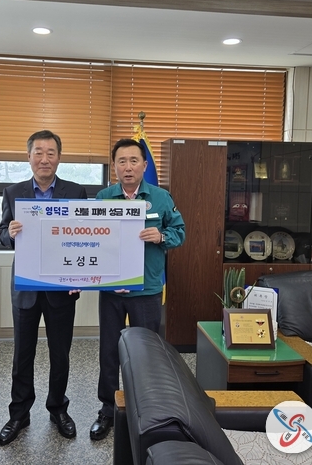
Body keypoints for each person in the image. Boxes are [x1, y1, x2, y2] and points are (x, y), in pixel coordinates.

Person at [89, 138, 186, 440]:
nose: (128, 167)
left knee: (147, 352)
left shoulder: (160, 197)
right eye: (122, 161)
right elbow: (92, 239)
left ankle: (148, 407)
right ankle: (108, 408)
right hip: (112, 291)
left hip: (146, 290)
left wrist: (161, 236)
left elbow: (180, 232)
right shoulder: (104, 198)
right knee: (109, 350)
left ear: (144, 165)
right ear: (114, 166)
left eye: (134, 161)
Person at [0, 130, 88, 446]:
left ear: (59, 158)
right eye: (38, 152)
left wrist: (80, 276)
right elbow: (2, 234)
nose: (44, 158)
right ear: (29, 157)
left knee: (60, 352)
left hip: (61, 285)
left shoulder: (75, 192)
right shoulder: (13, 192)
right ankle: (19, 414)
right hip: (26, 285)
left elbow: (84, 236)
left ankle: (58, 409)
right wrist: (10, 233)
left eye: (51, 153)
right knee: (22, 353)